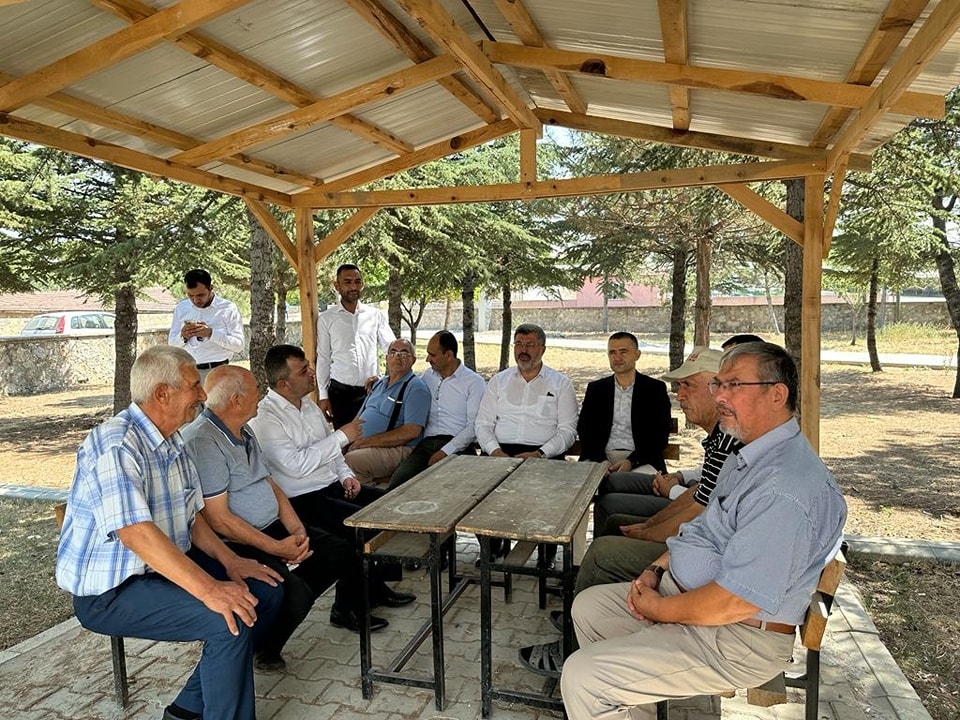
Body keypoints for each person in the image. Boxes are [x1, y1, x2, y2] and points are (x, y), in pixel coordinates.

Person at [560, 342, 847, 719]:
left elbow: (737, 600)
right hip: (692, 602)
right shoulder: (749, 456)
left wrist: (661, 609)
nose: (720, 396)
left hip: (736, 637)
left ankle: (602, 689)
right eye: (718, 385)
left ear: (777, 395)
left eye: (734, 385)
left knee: (582, 676)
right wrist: (656, 568)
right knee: (589, 607)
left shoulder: (784, 488)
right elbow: (701, 527)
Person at [55, 345, 283, 720]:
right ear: (163, 394)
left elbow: (193, 516)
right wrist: (210, 590)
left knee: (265, 591)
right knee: (226, 619)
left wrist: (231, 561)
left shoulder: (172, 439)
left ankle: (186, 709)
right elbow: (136, 534)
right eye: (194, 385)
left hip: (160, 567)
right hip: (111, 590)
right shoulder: (117, 445)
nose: (203, 395)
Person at [518, 346, 741, 678]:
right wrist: (650, 523)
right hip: (690, 535)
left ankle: (573, 645)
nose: (680, 395)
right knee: (614, 517)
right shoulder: (721, 436)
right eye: (679, 386)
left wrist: (649, 530)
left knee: (602, 550)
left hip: (701, 558)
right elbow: (698, 498)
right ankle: (593, 610)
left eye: (688, 386)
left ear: (718, 389)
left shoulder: (733, 439)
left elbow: (697, 508)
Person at [183, 367, 388, 667]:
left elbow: (270, 483)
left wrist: (296, 530)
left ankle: (293, 608)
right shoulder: (205, 441)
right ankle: (261, 647)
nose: (260, 395)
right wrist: (277, 548)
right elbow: (219, 520)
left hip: (272, 525)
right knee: (291, 591)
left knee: (338, 552)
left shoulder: (243, 429)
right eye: (255, 390)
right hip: (237, 540)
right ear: (236, 401)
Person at [248, 344, 415, 626]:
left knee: (385, 508)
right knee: (357, 529)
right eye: (303, 370)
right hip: (300, 499)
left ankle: (374, 588)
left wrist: (346, 475)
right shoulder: (266, 419)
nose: (311, 373)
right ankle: (345, 609)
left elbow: (331, 452)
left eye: (309, 366)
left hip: (330, 486)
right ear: (283, 383)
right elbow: (296, 465)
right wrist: (342, 436)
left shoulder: (308, 405)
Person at [475, 323, 578, 561]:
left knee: (549, 500)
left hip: (543, 454)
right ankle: (492, 548)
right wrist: (495, 452)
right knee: (475, 491)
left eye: (530, 345)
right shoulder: (499, 381)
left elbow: (567, 431)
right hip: (500, 452)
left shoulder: (560, 383)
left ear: (542, 349)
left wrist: (541, 454)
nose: (523, 350)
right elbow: (482, 424)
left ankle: (546, 556)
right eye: (519, 344)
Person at [388, 330, 486, 489]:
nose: (428, 359)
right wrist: (378, 381)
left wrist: (446, 451)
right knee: (397, 486)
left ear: (449, 355)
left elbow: (474, 426)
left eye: (432, 355)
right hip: (426, 445)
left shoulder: (474, 382)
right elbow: (406, 386)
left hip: (460, 447)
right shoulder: (428, 376)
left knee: (458, 490)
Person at [576, 331, 672, 475]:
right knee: (583, 484)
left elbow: (660, 434)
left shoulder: (654, 389)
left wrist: (631, 461)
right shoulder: (596, 389)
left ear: (637, 354)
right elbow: (585, 430)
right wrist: (602, 461)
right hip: (600, 458)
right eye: (612, 352)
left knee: (632, 484)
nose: (617, 358)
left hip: (641, 459)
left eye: (623, 352)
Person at [316, 264, 395, 428]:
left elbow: (391, 349)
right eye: (347, 282)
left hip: (371, 392)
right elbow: (323, 358)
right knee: (344, 439)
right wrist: (323, 396)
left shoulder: (375, 315)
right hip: (340, 394)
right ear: (337, 286)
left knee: (372, 437)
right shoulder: (326, 319)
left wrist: (387, 380)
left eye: (357, 281)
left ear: (362, 284)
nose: (353, 287)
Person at [343, 338, 431, 485]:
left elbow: (411, 431)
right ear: (387, 358)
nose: (398, 356)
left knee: (352, 461)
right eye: (393, 352)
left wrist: (365, 443)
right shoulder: (378, 384)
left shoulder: (416, 388)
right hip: (366, 444)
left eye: (404, 353)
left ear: (413, 360)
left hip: (399, 447)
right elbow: (358, 418)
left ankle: (371, 493)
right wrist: (344, 441)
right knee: (331, 455)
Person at [168, 269, 245, 382]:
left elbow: (239, 345)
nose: (195, 300)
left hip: (219, 373)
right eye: (190, 295)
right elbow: (171, 344)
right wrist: (183, 336)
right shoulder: (181, 308)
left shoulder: (228, 308)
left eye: (200, 295)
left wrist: (211, 334)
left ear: (211, 288)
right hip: (188, 372)